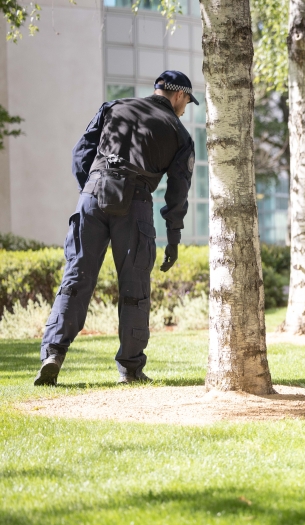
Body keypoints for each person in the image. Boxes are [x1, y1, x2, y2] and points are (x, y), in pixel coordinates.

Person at [34, 70, 198, 386]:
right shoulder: (180, 134)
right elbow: (177, 194)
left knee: (76, 279)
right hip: (134, 204)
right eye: (187, 102)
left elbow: (81, 153)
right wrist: (173, 237)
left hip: (92, 196)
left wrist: (93, 189)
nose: (185, 108)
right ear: (179, 95)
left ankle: (52, 354)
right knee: (134, 287)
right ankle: (131, 369)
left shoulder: (114, 107)